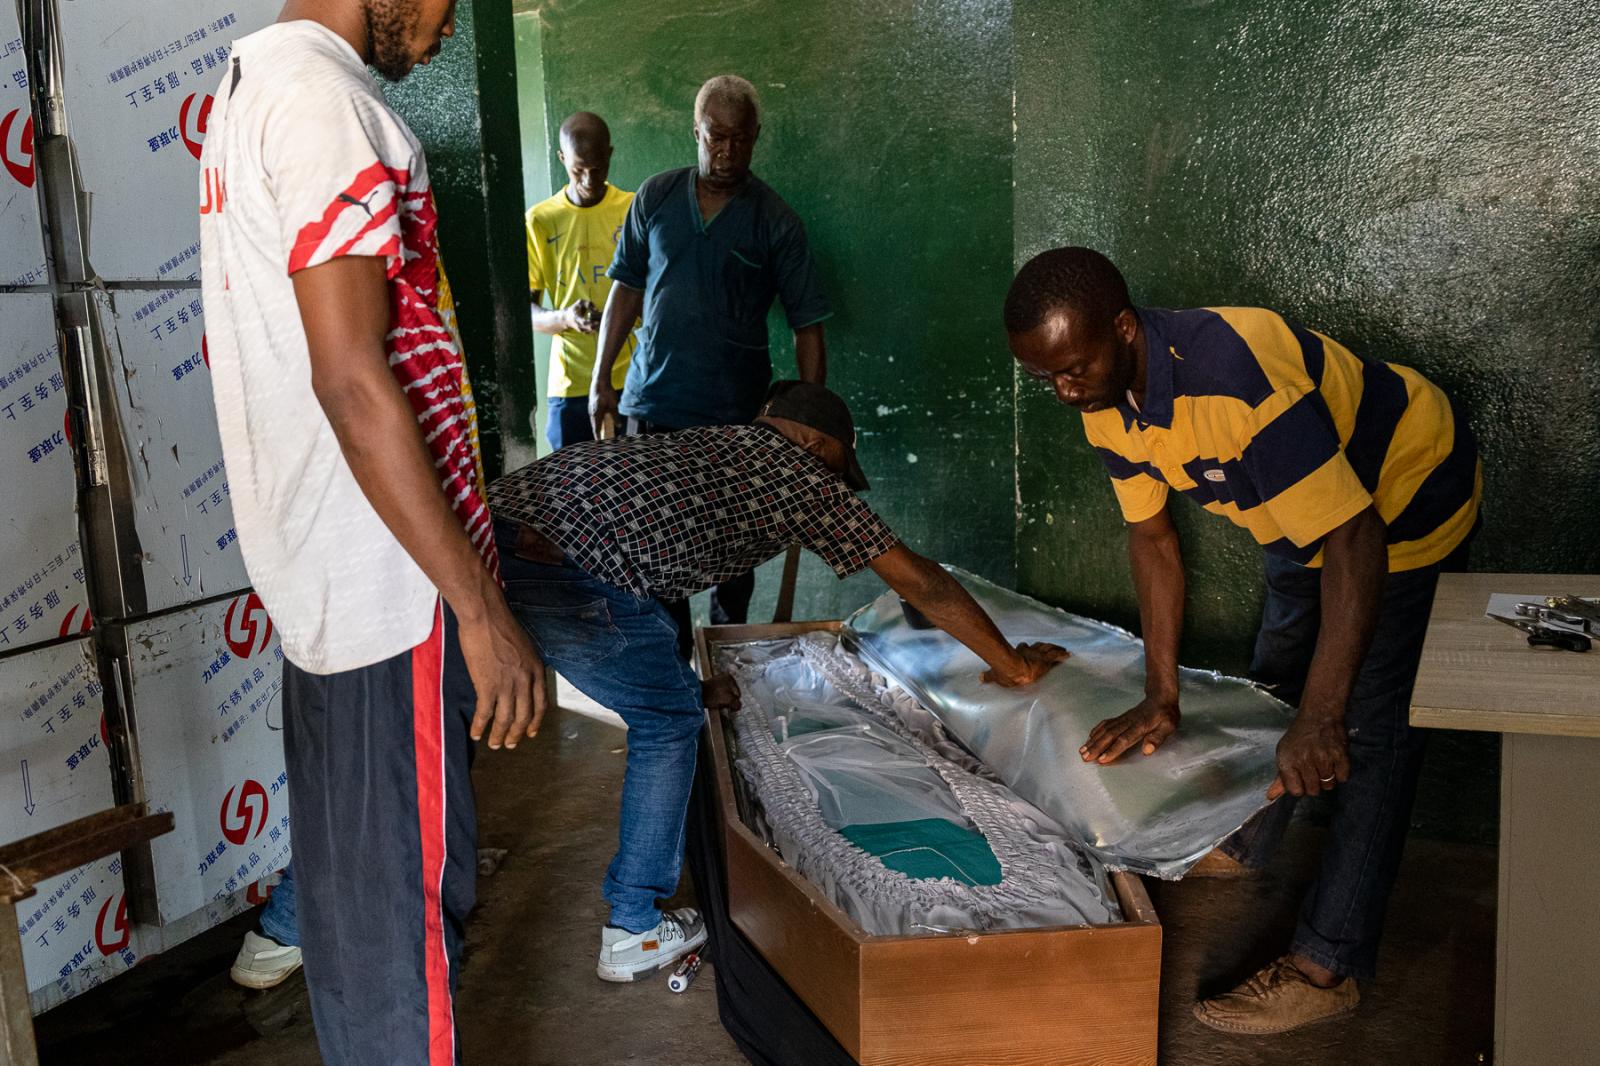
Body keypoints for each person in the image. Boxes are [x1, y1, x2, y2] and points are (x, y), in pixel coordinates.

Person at [1003, 247, 1480, 1036]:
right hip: (1299, 514)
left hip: (1403, 495)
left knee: (1366, 724)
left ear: (1123, 327)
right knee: (1276, 684)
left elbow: (1355, 537)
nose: (1063, 391)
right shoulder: (1105, 396)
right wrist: (1162, 693)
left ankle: (1328, 966)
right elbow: (1152, 540)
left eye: (1074, 368)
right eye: (1045, 377)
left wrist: (1326, 716)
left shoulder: (1234, 376)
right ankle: (1247, 840)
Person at [199, 1, 545, 1061]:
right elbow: (354, 381)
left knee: (358, 922)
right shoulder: (326, 106)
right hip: (394, 587)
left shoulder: (250, 93)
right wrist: (479, 610)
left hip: (328, 583)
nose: (444, 29)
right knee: (405, 927)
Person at [486, 381, 1068, 982]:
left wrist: (692, 686)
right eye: (841, 469)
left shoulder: (718, 448)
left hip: (481, 531)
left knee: (451, 714)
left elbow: (641, 568)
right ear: (817, 445)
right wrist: (1011, 662)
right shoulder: (800, 476)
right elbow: (919, 582)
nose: (840, 487)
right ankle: (633, 929)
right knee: (667, 726)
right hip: (556, 562)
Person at [587, 74, 832, 642]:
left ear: (756, 137)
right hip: (654, 406)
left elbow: (807, 327)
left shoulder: (776, 221)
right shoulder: (655, 196)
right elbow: (624, 290)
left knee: (732, 561)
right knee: (657, 556)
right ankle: (676, 680)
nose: (726, 152)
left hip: (737, 419)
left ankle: (727, 667)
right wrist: (603, 380)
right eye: (715, 137)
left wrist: (809, 417)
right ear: (694, 132)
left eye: (740, 139)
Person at [526, 112, 636, 451]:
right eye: (578, 170)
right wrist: (565, 318)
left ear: (610, 155)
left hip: (629, 378)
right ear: (562, 158)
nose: (589, 179)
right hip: (570, 384)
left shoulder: (632, 210)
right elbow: (525, 313)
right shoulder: (541, 220)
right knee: (571, 491)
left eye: (598, 168)